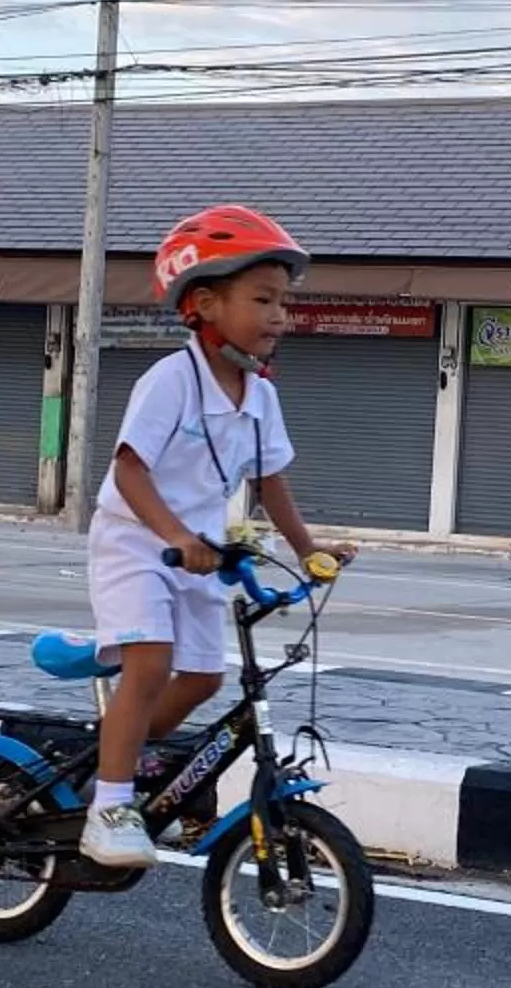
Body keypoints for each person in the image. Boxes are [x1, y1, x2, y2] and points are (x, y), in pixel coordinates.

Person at [78, 205, 352, 870]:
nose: (280, 315)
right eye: (263, 300)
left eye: (284, 302)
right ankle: (108, 805)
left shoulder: (260, 393)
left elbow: (271, 481)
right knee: (151, 661)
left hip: (199, 553)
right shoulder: (171, 379)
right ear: (204, 302)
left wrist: (307, 550)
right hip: (136, 543)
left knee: (201, 678)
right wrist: (176, 534)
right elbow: (129, 470)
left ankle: (123, 753)